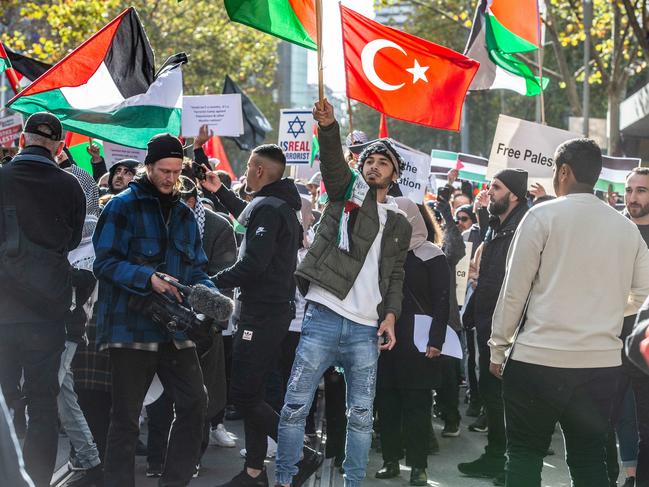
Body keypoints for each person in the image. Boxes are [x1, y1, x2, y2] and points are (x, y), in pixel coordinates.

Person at [489, 138, 649, 487]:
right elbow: (642, 293)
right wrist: (606, 313)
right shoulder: (626, 229)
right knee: (590, 458)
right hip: (600, 365)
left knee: (524, 456)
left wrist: (498, 347)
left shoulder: (541, 215)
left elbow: (514, 290)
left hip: (536, 360)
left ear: (563, 171)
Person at [275, 98, 411, 487]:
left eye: (383, 162)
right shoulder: (345, 192)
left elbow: (396, 274)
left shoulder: (400, 222)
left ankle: (353, 483)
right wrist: (330, 126)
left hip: (366, 329)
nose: (374, 166)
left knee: (361, 417)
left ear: (395, 173)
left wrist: (391, 316)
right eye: (368, 160)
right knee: (294, 407)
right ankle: (284, 479)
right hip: (323, 315)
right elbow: (334, 162)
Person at [93, 133, 219, 487]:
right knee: (126, 419)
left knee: (196, 404)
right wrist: (148, 277)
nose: (170, 177)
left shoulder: (184, 212)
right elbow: (104, 264)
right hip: (130, 327)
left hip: (176, 329)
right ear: (147, 167)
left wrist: (210, 296)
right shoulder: (120, 206)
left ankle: (174, 482)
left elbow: (197, 268)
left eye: (176, 171)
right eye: (163, 170)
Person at [200, 142, 303, 487]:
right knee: (254, 393)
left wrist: (210, 283)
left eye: (247, 167)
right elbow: (251, 219)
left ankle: (299, 453)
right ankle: (254, 472)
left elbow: (254, 263)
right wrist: (221, 193)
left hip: (262, 313)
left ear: (260, 171)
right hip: (267, 311)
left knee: (244, 395)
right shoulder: (274, 205)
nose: (244, 172)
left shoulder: (271, 209)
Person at [0, 112, 85, 487]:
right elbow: (71, 241)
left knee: (3, 404)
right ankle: (36, 480)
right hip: (47, 313)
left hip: (2, 312)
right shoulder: (70, 185)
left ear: (23, 140)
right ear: (58, 146)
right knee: (43, 404)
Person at [457, 168, 529, 483]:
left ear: (513, 194)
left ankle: (512, 464)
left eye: (496, 187)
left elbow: (516, 285)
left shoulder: (524, 228)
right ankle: (496, 456)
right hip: (489, 325)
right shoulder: (498, 225)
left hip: (510, 330)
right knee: (493, 397)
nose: (490, 191)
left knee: (510, 402)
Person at [374, 197, 450, 486]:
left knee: (417, 408)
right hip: (386, 342)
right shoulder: (383, 251)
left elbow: (443, 301)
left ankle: (419, 467)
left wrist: (436, 340)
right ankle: (391, 461)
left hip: (420, 344)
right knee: (388, 404)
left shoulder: (431, 254)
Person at [621, 167, 649, 487]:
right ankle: (629, 472)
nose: (633, 197)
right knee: (620, 413)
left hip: (645, 341)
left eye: (641, 190)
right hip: (612, 334)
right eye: (629, 190)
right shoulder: (614, 229)